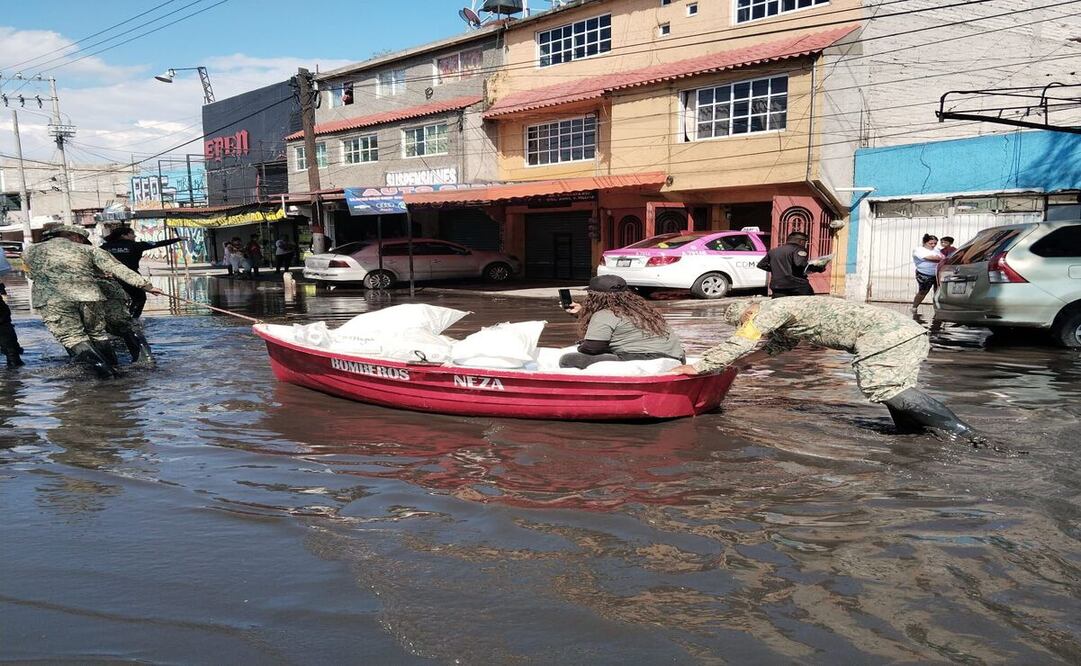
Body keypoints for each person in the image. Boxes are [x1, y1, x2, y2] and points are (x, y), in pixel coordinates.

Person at [670, 297, 979, 442]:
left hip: (887, 335)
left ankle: (964, 434)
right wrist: (743, 365)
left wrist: (698, 367)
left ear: (749, 312)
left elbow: (742, 341)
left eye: (744, 321)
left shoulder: (770, 310)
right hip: (901, 332)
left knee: (884, 387)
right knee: (889, 386)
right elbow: (778, 346)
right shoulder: (788, 311)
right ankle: (912, 433)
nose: (749, 325)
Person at [22, 225, 163, 378]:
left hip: (53, 299)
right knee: (98, 334)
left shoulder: (29, 251)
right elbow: (117, 267)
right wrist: (146, 286)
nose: (83, 242)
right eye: (82, 239)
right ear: (75, 236)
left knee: (73, 338)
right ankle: (117, 371)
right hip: (90, 295)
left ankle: (107, 374)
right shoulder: (89, 250)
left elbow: (30, 273)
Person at [559, 275, 685, 369]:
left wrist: (582, 345)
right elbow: (621, 325)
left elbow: (592, 349)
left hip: (644, 360)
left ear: (595, 297)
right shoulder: (645, 312)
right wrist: (581, 313)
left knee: (568, 359)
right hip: (675, 357)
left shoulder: (603, 315)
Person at [100, 226, 183, 318]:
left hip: (111, 278)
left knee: (112, 300)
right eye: (132, 234)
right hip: (132, 278)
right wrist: (178, 239)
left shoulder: (104, 247)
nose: (135, 236)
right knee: (139, 298)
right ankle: (133, 318)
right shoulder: (136, 245)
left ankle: (113, 319)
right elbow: (158, 243)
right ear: (124, 235)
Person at [756, 231, 828, 298]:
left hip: (777, 285)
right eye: (805, 241)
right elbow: (800, 264)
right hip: (797, 285)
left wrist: (776, 269)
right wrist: (818, 268)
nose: (805, 244)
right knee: (808, 306)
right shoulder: (799, 249)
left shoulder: (773, 251)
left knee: (780, 308)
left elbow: (761, 265)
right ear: (800, 241)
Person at [911, 233, 943, 312]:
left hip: (936, 274)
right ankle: (914, 307)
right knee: (923, 291)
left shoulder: (937, 250)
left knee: (937, 292)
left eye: (935, 243)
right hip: (924, 274)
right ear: (925, 242)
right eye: (930, 243)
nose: (933, 245)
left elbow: (944, 257)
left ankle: (937, 309)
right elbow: (929, 258)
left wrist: (939, 258)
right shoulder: (919, 250)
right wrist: (938, 258)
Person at [0, 279, 24, 368]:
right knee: (11, 352)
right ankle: (14, 377)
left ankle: (13, 376)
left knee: (11, 352)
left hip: (3, 321)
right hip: (3, 322)